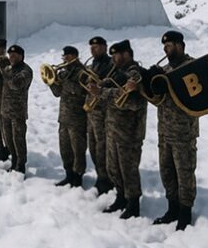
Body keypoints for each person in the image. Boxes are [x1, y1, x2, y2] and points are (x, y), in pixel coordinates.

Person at [144, 30, 199, 231]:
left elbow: (197, 94)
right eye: (164, 47)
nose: (166, 50)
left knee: (184, 173)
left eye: (169, 46)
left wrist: (169, 83)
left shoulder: (193, 66)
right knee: (167, 172)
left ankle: (185, 213)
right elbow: (158, 101)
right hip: (165, 131)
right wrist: (149, 83)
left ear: (180, 45)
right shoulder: (165, 70)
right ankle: (172, 208)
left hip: (183, 132)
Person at [87, 39, 147, 219]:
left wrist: (102, 93)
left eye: (117, 55)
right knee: (114, 168)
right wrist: (98, 87)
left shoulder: (135, 73)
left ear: (127, 54)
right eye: (112, 55)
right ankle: (121, 198)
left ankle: (133, 204)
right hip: (112, 129)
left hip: (129, 133)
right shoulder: (117, 72)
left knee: (128, 170)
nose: (113, 58)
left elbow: (132, 102)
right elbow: (111, 92)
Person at [49, 46, 88, 188]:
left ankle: (78, 177)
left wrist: (66, 81)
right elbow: (58, 93)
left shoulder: (83, 72)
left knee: (78, 149)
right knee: (65, 148)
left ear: (75, 56)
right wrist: (51, 81)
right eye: (64, 56)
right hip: (64, 118)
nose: (65, 58)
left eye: (68, 56)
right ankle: (69, 174)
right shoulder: (65, 72)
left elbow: (81, 91)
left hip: (78, 118)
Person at [85, 36, 114, 195]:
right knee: (93, 148)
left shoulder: (111, 65)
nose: (93, 50)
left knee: (103, 149)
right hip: (91, 113)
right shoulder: (91, 65)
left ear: (105, 47)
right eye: (91, 47)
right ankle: (100, 175)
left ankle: (106, 180)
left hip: (104, 114)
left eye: (96, 47)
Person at [0, 44, 33, 176]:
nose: (11, 57)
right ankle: (14, 161)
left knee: (18, 140)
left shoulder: (26, 71)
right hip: (6, 110)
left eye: (14, 55)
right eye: (10, 55)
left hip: (18, 112)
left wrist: (6, 73)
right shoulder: (8, 68)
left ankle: (20, 165)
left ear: (21, 56)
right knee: (8, 139)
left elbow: (16, 84)